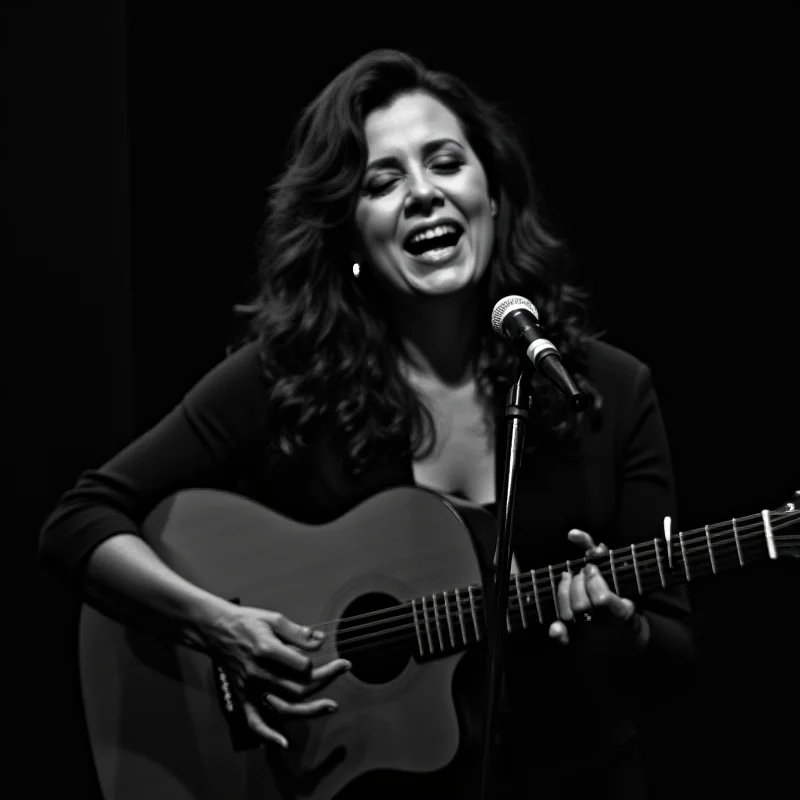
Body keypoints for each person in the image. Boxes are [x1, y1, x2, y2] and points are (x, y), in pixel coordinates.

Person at [39, 49, 695, 799]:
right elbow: (78, 520)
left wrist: (625, 630)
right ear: (348, 234)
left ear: (492, 195)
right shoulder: (288, 379)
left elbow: (676, 654)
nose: (422, 194)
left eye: (445, 163)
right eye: (382, 182)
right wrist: (218, 626)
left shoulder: (605, 391)